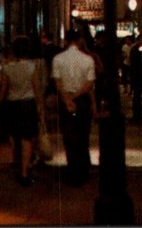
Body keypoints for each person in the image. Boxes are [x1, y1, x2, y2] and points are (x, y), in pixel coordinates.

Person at [0, 35, 44, 186]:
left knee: (15, 136)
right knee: (27, 138)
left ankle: (17, 162)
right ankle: (24, 172)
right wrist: (41, 108)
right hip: (28, 104)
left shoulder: (7, 68)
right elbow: (37, 89)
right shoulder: (31, 66)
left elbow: (2, 90)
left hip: (12, 105)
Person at [51, 29, 97, 185]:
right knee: (83, 135)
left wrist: (66, 99)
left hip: (65, 101)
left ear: (65, 41)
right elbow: (89, 84)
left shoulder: (57, 59)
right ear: (79, 41)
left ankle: (72, 170)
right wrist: (76, 97)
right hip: (82, 101)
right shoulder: (88, 60)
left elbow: (57, 82)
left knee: (69, 137)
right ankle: (83, 171)